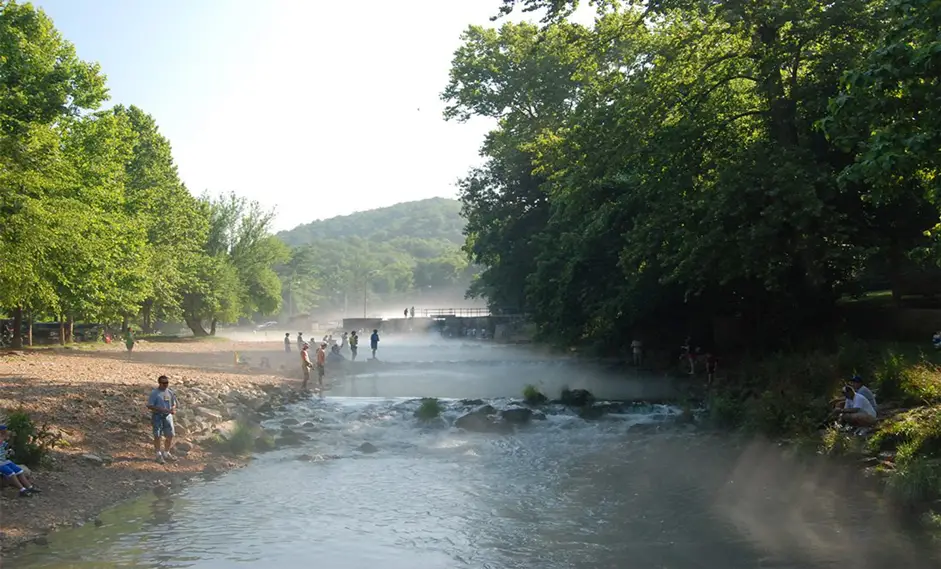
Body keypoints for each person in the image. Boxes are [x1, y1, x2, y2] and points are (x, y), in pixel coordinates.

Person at [0, 425, 41, 497]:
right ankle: (22, 489)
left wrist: (11, 440)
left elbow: (7, 446)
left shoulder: (3, 439)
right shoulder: (2, 438)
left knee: (19, 471)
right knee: (11, 473)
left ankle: (29, 487)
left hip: (3, 460)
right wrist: (5, 435)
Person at [146, 375, 177, 464]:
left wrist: (173, 409)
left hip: (168, 416)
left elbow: (173, 403)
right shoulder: (154, 393)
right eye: (163, 383)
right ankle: (158, 454)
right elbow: (149, 405)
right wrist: (162, 409)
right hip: (157, 416)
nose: (165, 385)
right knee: (157, 435)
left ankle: (166, 453)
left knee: (170, 435)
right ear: (159, 383)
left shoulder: (170, 392)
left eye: (167, 383)